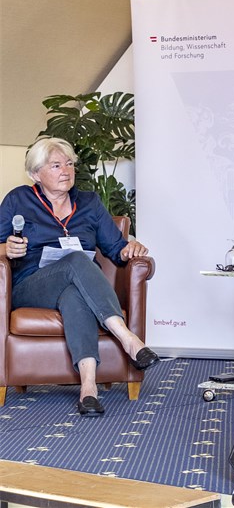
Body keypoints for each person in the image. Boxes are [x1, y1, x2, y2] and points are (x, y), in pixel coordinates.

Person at [0, 137, 160, 417]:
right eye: (56, 165)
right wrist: (6, 249)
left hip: (77, 284)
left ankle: (88, 389)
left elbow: (116, 248)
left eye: (70, 164)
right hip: (32, 285)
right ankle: (128, 339)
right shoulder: (18, 199)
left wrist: (130, 249)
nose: (66, 171)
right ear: (36, 174)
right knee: (76, 259)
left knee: (75, 295)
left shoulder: (89, 202)